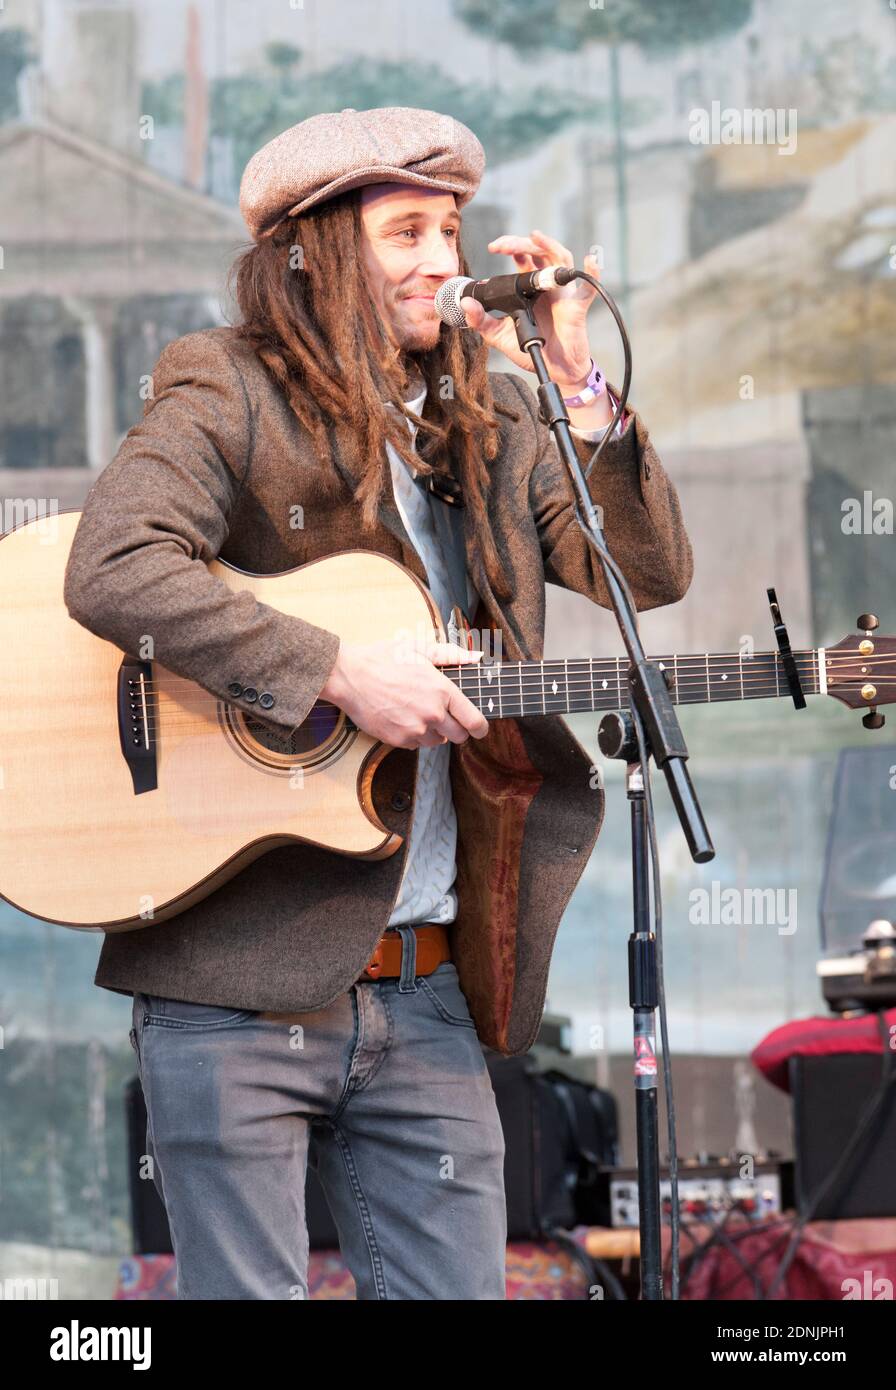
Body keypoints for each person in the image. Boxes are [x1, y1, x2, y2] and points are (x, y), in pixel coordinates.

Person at [63, 106, 694, 1300]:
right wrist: (337, 670)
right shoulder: (228, 387)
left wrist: (576, 381)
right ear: (311, 252)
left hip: (428, 988)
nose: (443, 262)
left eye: (450, 229)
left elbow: (647, 571)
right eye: (405, 231)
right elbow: (114, 566)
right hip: (233, 982)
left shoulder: (495, 414)